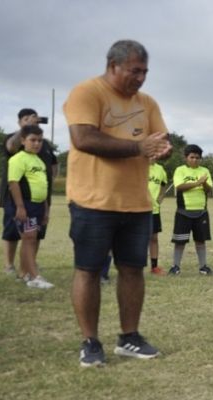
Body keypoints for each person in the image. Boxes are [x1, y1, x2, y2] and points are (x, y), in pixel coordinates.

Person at [63, 39, 171, 367]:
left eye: (145, 72)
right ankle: (90, 342)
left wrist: (161, 149)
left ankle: (129, 337)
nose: (140, 78)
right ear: (113, 66)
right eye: (134, 71)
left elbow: (159, 140)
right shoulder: (87, 93)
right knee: (89, 270)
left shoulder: (147, 103)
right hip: (92, 201)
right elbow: (84, 138)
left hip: (137, 203)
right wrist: (138, 148)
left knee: (132, 270)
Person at [2, 108, 58, 278]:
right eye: (26, 118)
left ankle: (28, 265)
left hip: (40, 195)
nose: (36, 143)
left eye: (33, 118)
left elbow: (53, 164)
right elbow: (10, 148)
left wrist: (48, 181)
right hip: (18, 196)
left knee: (36, 233)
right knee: (13, 232)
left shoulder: (45, 143)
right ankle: (10, 265)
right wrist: (25, 129)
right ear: (19, 122)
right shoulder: (15, 138)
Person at [169, 144, 213, 275]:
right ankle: (175, 267)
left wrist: (204, 183)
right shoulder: (180, 170)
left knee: (200, 241)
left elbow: (209, 190)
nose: (195, 160)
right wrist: (197, 183)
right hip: (183, 212)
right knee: (180, 241)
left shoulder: (204, 171)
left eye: (197, 158)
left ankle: (203, 267)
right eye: (192, 157)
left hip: (201, 212)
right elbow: (179, 186)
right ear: (186, 158)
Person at [147, 159, 168, 275]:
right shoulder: (138, 165)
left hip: (154, 210)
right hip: (138, 209)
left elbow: (163, 187)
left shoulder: (160, 169)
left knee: (154, 238)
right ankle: (133, 267)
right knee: (136, 239)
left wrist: (160, 199)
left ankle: (154, 267)